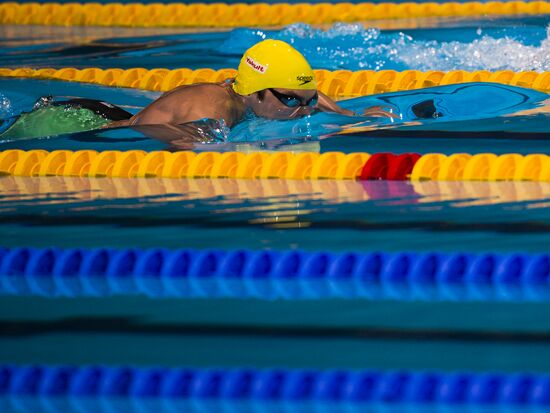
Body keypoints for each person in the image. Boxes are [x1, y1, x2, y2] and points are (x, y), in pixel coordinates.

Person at [0, 39, 393, 143]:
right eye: (290, 100)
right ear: (255, 94)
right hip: (73, 119)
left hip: (112, 110)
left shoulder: (276, 97)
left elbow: (310, 97)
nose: (304, 110)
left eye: (306, 100)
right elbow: (160, 134)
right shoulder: (219, 109)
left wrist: (351, 117)